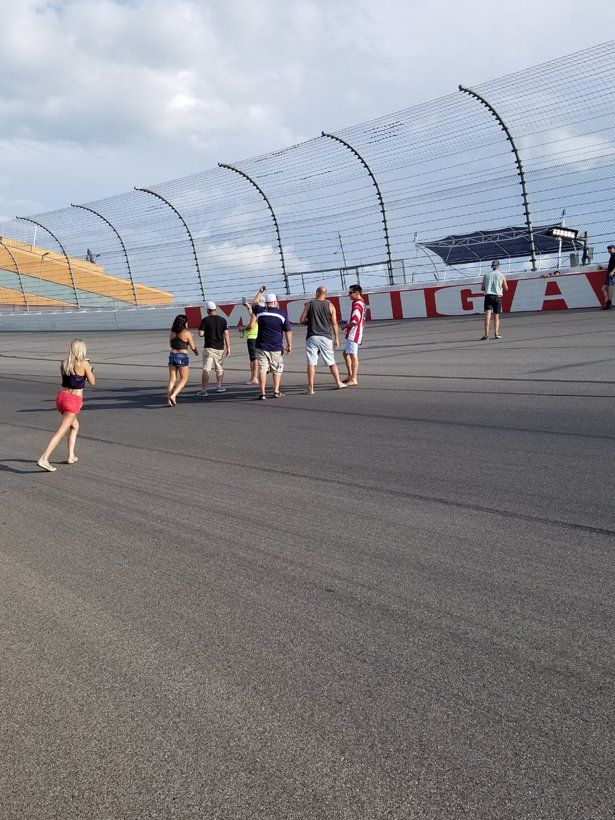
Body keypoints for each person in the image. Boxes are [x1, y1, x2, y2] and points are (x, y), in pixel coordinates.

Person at [37, 338, 95, 472]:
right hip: (73, 401)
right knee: (61, 432)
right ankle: (44, 458)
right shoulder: (84, 364)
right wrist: (90, 370)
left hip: (61, 398)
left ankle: (71, 456)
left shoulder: (64, 363)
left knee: (75, 426)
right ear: (82, 350)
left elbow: (69, 380)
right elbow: (92, 382)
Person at [299, 286, 346, 393]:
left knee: (311, 362)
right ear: (326, 294)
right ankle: (338, 382)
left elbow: (301, 320)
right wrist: (336, 339)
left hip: (312, 336)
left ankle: (310, 388)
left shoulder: (309, 304)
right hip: (326, 336)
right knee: (331, 361)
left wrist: (310, 322)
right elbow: (334, 323)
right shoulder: (330, 305)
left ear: (317, 293)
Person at [248, 286, 292, 400]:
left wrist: (260, 292)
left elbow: (254, 303)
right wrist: (289, 345)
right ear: (275, 302)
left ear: (266, 303)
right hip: (276, 347)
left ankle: (262, 393)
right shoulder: (282, 314)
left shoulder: (260, 311)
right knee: (277, 370)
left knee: (262, 369)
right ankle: (276, 391)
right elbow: (288, 331)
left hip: (261, 346)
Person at [197, 301, 230, 397]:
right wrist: (228, 347)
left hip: (209, 347)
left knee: (206, 369)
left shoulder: (205, 320)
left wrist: (208, 333)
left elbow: (200, 334)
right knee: (219, 368)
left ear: (208, 310)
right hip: (219, 348)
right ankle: (219, 386)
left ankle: (204, 390)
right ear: (215, 309)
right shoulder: (223, 320)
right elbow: (226, 334)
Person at [167, 314, 198, 405]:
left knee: (172, 380)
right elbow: (193, 346)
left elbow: (171, 345)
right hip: (182, 356)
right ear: (184, 323)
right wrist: (196, 351)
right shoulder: (187, 333)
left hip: (172, 354)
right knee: (183, 379)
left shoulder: (172, 333)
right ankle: (173, 396)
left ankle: (169, 400)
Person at [343, 284, 366, 386]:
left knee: (353, 355)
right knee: (345, 353)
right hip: (355, 332)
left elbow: (355, 321)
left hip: (354, 333)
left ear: (356, 293)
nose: (349, 295)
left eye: (350, 293)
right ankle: (350, 376)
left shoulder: (357, 304)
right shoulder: (361, 302)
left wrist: (345, 326)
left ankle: (353, 379)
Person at [480, 260, 508, 340]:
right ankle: (496, 334)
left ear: (492, 267)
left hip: (488, 297)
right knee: (496, 317)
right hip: (497, 297)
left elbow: (482, 288)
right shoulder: (502, 275)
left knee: (487, 316)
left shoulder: (486, 275)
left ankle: (486, 335)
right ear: (498, 266)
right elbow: (506, 288)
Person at [241, 296, 259, 385]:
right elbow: (251, 313)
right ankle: (254, 377)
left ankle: (254, 378)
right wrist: (247, 306)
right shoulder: (260, 313)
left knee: (254, 358)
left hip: (252, 337)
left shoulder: (256, 314)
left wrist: (243, 329)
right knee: (254, 358)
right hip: (257, 337)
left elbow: (251, 325)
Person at [601, 245, 615, 310]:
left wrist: (612, 272)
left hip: (611, 275)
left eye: (610, 248)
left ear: (614, 249)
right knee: (604, 288)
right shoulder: (612, 256)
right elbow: (611, 266)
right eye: (608, 248)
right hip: (609, 274)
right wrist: (604, 268)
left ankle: (609, 304)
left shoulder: (614, 255)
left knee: (609, 289)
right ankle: (608, 303)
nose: (609, 249)